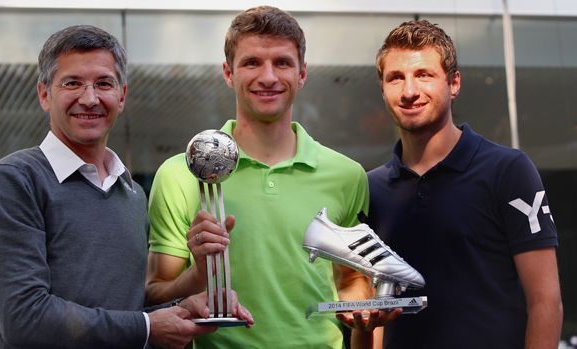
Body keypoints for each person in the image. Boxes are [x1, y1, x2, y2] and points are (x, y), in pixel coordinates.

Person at [0, 25, 251, 349]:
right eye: (72, 83)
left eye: (103, 83)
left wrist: (182, 310)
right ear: (44, 94)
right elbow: (25, 321)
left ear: (121, 96)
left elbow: (126, 311)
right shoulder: (14, 180)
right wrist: (148, 326)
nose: (89, 98)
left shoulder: (130, 192)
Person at [146, 6, 385, 349]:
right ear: (228, 73)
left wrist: (362, 308)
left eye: (282, 63)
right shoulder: (180, 173)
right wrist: (198, 273)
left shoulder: (347, 176)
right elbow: (155, 297)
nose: (269, 77)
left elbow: (351, 279)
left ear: (302, 74)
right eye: (252, 63)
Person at [366, 20, 563, 348]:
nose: (410, 91)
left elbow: (546, 302)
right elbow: (375, 313)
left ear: (454, 83)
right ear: (383, 88)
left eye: (424, 75)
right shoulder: (371, 188)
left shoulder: (509, 171)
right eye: (396, 78)